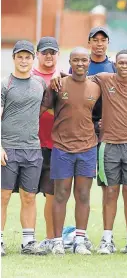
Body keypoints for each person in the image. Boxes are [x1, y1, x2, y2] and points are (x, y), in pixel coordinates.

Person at [41, 47, 101, 255]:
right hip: (62, 148)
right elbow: (41, 109)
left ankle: (80, 241)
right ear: (70, 61)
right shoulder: (58, 85)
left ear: (89, 62)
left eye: (84, 60)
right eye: (76, 60)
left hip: (87, 148)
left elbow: (99, 115)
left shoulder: (96, 87)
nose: (80, 64)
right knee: (61, 194)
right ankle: (57, 240)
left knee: (83, 195)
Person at [90, 50, 127, 255]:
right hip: (109, 145)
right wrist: (57, 76)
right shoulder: (104, 79)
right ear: (115, 64)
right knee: (110, 192)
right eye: (121, 63)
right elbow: (77, 77)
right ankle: (107, 239)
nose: (125, 66)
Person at [1, 40, 47, 256]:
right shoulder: (4, 84)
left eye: (28, 57)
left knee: (29, 196)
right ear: (14, 58)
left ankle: (28, 242)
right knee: (3, 196)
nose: (24, 60)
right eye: (20, 56)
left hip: (32, 149)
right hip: (8, 148)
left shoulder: (40, 84)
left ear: (33, 58)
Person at [31, 37, 61, 253]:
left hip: (55, 145)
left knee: (51, 195)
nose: (48, 56)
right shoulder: (29, 77)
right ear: (37, 55)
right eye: (44, 52)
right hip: (30, 143)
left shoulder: (64, 79)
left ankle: (50, 238)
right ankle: (28, 239)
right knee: (28, 194)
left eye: (52, 52)